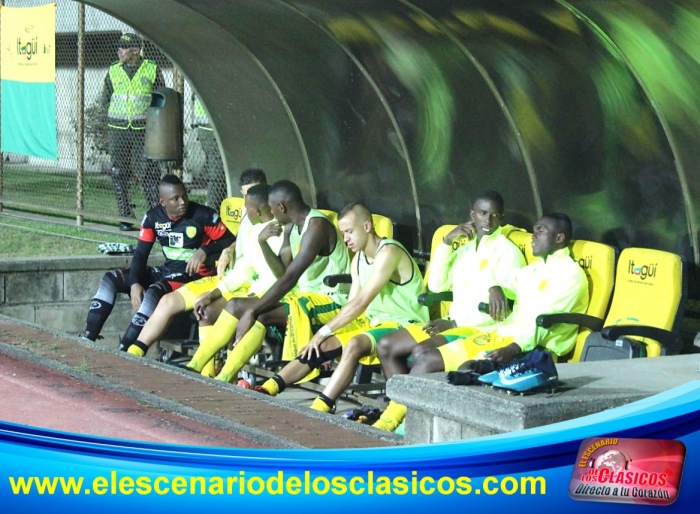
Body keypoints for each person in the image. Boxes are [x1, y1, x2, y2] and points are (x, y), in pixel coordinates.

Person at [373, 212, 589, 432]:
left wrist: (514, 347)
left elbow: (542, 322)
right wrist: (495, 288)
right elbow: (505, 282)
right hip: (500, 336)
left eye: (540, 231)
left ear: (559, 238)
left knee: (457, 368)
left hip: (530, 350)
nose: (533, 236)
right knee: (426, 358)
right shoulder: (534, 269)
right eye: (533, 231)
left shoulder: (570, 275)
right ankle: (392, 419)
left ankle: (405, 426)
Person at [254, 203, 429, 414]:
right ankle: (266, 389)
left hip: (403, 323)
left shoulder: (389, 252)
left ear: (367, 226)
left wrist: (323, 330)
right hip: (372, 321)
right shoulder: (358, 260)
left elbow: (361, 302)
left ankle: (319, 408)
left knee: (353, 344)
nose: (345, 239)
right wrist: (327, 336)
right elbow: (351, 304)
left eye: (349, 232)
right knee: (321, 346)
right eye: (343, 233)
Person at [183, 179, 350, 382]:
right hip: (300, 296)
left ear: (281, 207)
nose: (271, 213)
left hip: (329, 299)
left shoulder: (316, 226)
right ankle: (196, 367)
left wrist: (252, 310)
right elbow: (282, 272)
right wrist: (262, 243)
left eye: (272, 209)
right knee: (237, 305)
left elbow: (290, 278)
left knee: (259, 313)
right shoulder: (291, 227)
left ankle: (224, 378)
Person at [374, 191, 526, 390]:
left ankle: (402, 404)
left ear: (502, 218)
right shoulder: (465, 248)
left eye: (495, 215)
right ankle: (401, 399)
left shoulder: (508, 252)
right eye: (483, 213)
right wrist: (446, 243)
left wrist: (455, 322)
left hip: (479, 329)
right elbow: (437, 286)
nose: (488, 220)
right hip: (453, 321)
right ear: (472, 215)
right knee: (386, 346)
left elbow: (503, 306)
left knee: (421, 352)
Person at [126, 183, 283, 364]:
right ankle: (134, 351)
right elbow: (238, 252)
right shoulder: (248, 219)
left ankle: (207, 366)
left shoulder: (276, 228)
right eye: (244, 194)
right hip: (230, 277)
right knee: (168, 300)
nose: (245, 203)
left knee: (205, 308)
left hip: (246, 284)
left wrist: (215, 255)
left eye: (250, 198)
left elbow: (256, 269)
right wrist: (229, 250)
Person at [80, 174, 235, 350]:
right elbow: (141, 254)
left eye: (184, 195)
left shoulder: (203, 215)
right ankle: (88, 338)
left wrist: (205, 251)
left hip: (193, 276)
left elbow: (231, 240)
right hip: (168, 271)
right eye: (175, 199)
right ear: (163, 202)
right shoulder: (153, 217)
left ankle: (125, 349)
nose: (182, 202)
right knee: (112, 278)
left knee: (154, 291)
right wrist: (134, 283)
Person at [98, 32, 165, 231]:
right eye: (118, 47)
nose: (119, 51)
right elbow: (105, 98)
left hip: (143, 130)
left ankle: (155, 218)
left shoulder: (152, 69)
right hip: (118, 129)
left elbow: (161, 98)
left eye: (124, 48)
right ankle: (125, 216)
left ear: (135, 50)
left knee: (149, 173)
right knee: (119, 172)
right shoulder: (113, 70)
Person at [193, 95, 227, 210]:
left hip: (210, 128)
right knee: (218, 173)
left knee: (219, 172)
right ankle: (213, 209)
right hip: (211, 129)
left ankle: (218, 206)